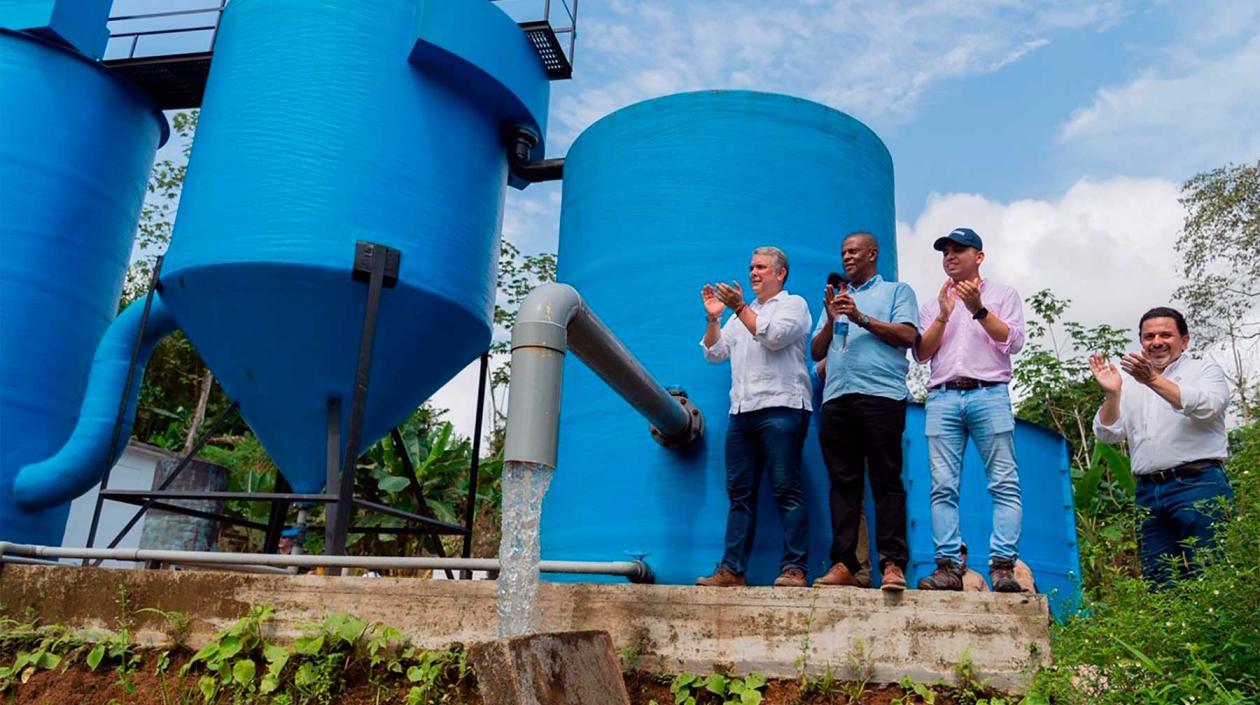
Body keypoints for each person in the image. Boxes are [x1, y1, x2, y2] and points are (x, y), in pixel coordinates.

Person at [914, 227, 1026, 592]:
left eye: (959, 250)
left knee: (1004, 484)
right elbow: (921, 353)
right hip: (943, 397)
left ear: (979, 256)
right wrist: (944, 315)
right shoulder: (934, 303)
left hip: (989, 393)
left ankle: (1003, 567)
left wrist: (977, 307)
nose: (950, 256)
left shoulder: (1004, 295)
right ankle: (948, 567)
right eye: (945, 251)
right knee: (942, 487)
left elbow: (1012, 341)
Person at [1090, 307, 1233, 589]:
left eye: (1166, 335)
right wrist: (1113, 393)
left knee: (1210, 576)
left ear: (1185, 340)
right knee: (1160, 584)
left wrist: (1152, 380)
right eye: (1149, 336)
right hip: (1148, 493)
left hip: (1198, 484)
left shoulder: (1204, 370)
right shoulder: (1130, 383)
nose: (1156, 341)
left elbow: (1209, 407)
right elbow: (1107, 433)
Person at [697, 246, 813, 588]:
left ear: (781, 273)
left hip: (783, 408)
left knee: (786, 490)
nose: (753, 273)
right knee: (740, 495)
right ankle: (732, 569)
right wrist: (714, 318)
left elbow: (774, 338)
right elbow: (714, 354)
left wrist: (738, 306)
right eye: (751, 267)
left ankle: (795, 568)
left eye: (761, 267)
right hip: (742, 413)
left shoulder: (794, 305)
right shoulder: (737, 316)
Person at [810, 233, 917, 591]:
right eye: (842, 252)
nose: (846, 257)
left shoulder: (897, 292)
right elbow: (816, 351)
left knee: (887, 481)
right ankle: (844, 564)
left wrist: (861, 318)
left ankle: (892, 564)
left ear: (873, 253)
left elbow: (906, 335)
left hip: (881, 397)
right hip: (837, 398)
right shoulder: (837, 298)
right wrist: (830, 319)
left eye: (853, 251)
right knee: (843, 485)